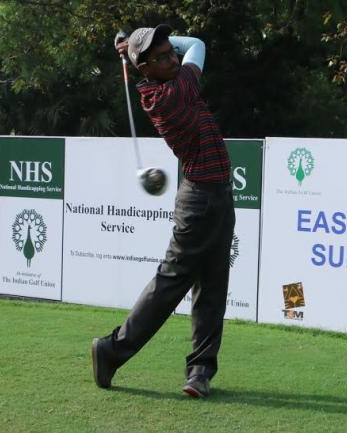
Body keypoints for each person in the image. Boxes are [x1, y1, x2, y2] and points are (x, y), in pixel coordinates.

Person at [91, 24, 235, 398]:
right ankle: (112, 349)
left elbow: (179, 51)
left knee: (213, 284)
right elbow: (198, 44)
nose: (173, 59)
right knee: (171, 283)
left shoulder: (167, 81)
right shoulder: (173, 92)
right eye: (162, 57)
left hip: (216, 194)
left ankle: (200, 372)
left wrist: (131, 47)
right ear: (146, 69)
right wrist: (131, 48)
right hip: (201, 200)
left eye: (172, 52)